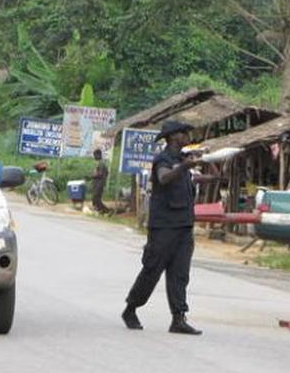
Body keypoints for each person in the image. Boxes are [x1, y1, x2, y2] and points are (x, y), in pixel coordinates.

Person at [121, 120, 218, 335]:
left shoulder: (183, 161)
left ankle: (178, 318)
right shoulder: (163, 160)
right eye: (184, 133)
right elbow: (163, 178)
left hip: (184, 227)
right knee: (152, 271)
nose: (188, 136)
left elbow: (214, 178)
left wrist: (207, 159)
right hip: (163, 227)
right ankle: (131, 308)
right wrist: (185, 166)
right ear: (174, 136)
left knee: (180, 274)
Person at [91, 149, 111, 214]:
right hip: (98, 183)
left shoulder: (101, 164)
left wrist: (93, 176)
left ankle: (106, 211)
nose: (94, 157)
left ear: (98, 155)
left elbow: (100, 174)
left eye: (95, 155)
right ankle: (102, 210)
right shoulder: (100, 163)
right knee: (96, 199)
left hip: (99, 184)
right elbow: (106, 172)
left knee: (96, 198)